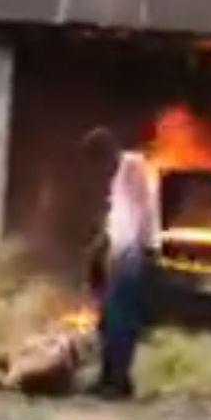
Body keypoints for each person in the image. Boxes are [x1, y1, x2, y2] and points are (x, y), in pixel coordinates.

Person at [81, 128, 159, 399]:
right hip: (119, 254)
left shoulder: (133, 167)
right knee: (108, 321)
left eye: (98, 161)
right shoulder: (118, 176)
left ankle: (116, 381)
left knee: (121, 321)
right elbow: (118, 219)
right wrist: (100, 247)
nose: (99, 171)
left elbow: (143, 213)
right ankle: (111, 377)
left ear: (107, 152)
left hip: (130, 257)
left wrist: (142, 248)